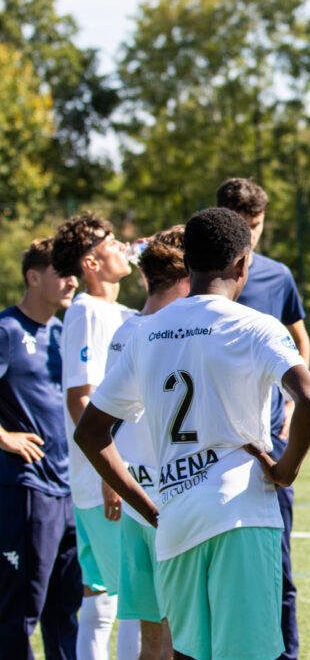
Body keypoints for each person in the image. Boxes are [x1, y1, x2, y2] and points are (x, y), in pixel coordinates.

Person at [72, 206, 310, 660]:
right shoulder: (255, 327)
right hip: (242, 516)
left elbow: (91, 432)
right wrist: (286, 470)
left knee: (185, 652)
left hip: (175, 516)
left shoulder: (145, 334)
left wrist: (146, 506)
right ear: (243, 265)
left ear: (187, 264)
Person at [216, 177, 310, 660]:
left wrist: (292, 403)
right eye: (242, 226)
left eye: (257, 225)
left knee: (280, 567)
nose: (251, 236)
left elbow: (299, 337)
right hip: (208, 448)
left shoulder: (276, 276)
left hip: (267, 443)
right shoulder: (197, 278)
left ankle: (285, 654)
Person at [51, 212, 138, 660]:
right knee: (130, 601)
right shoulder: (86, 311)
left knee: (102, 600)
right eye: (110, 242)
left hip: (103, 475)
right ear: (90, 262)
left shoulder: (114, 310)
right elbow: (79, 399)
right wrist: (112, 473)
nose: (121, 246)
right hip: (104, 478)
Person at [106, 226, 189, 660]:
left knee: (149, 641)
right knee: (178, 639)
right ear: (184, 278)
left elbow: (106, 423)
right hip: (170, 501)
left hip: (134, 498)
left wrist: (111, 482)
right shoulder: (172, 335)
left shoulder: (124, 331)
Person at [0, 239, 81, 659]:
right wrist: (4, 437)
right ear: (33, 277)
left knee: (66, 612)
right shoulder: (7, 330)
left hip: (66, 489)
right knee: (19, 612)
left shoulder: (63, 333)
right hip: (26, 489)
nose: (72, 281)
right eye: (61, 271)